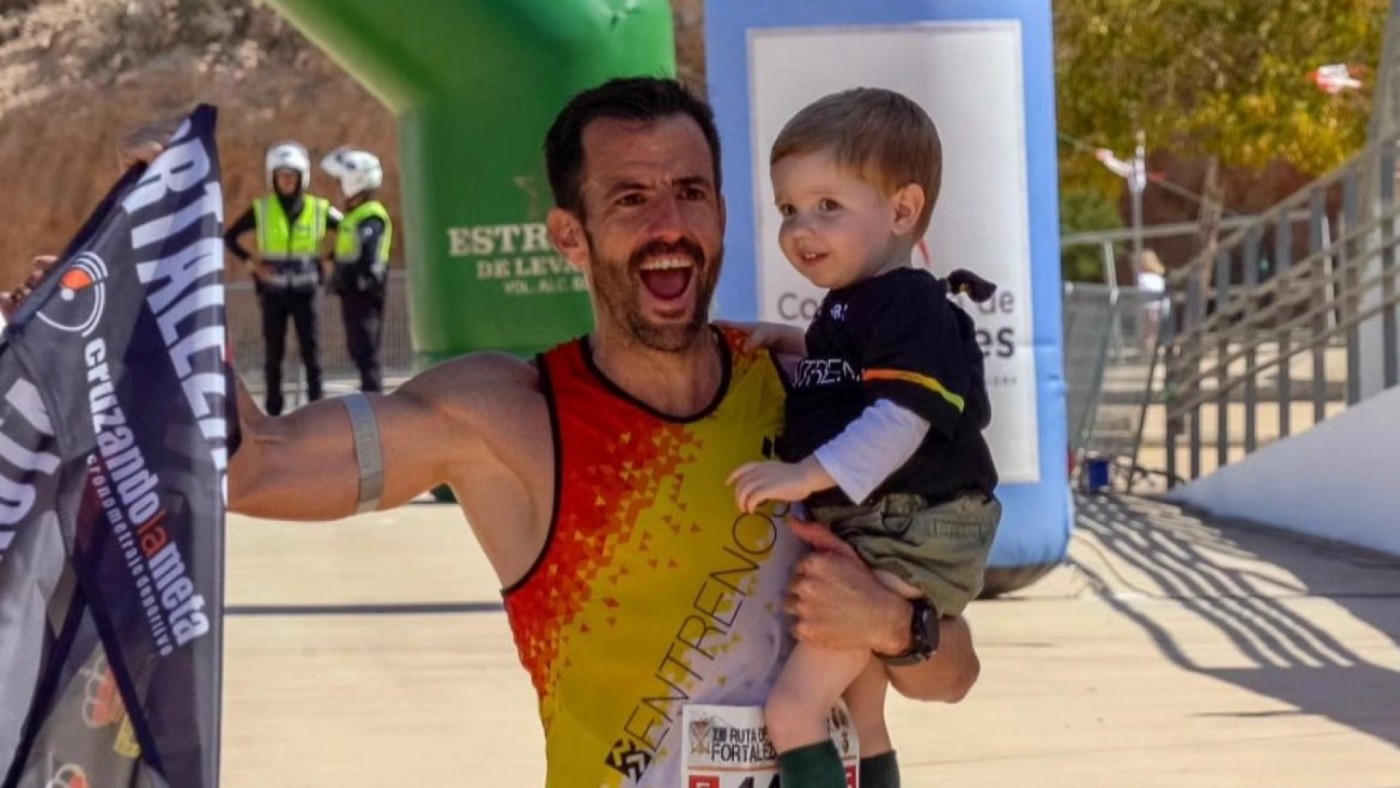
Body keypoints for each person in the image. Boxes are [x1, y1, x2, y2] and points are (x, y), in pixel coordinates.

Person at [9, 79, 980, 787]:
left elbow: (950, 675)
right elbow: (258, 466)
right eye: (630, 199)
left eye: (689, 191)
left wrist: (894, 622)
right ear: (569, 235)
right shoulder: (506, 416)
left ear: (723, 212)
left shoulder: (812, 390)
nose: (668, 223)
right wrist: (121, 347)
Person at [725, 87, 1002, 787]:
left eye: (827, 206)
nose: (799, 228)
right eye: (788, 209)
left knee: (793, 713)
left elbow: (899, 417)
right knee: (860, 710)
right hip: (890, 526)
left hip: (908, 527)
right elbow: (853, 374)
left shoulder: (908, 302)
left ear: (902, 211)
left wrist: (806, 475)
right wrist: (789, 340)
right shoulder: (861, 303)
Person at [224, 141, 341, 416]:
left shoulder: (319, 208)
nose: (287, 182)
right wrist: (252, 263)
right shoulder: (261, 208)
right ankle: (274, 412)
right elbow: (230, 236)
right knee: (273, 355)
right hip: (273, 292)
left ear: (303, 178)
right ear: (273, 178)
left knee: (312, 353)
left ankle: (318, 411)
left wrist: (330, 259)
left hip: (306, 290)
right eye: (281, 176)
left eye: (292, 176)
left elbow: (350, 229)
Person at [320, 146, 392, 393]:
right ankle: (371, 399)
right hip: (352, 291)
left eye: (341, 181)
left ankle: (376, 406)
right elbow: (348, 248)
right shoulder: (354, 216)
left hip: (365, 292)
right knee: (358, 350)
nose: (338, 187)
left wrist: (342, 269)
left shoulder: (370, 216)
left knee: (366, 351)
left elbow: (365, 252)